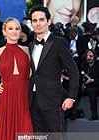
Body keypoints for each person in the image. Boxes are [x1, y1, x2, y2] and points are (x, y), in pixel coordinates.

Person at [28, 5, 79, 134]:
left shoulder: (59, 43)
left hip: (53, 101)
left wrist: (71, 97)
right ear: (31, 23)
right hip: (33, 101)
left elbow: (73, 71)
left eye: (41, 19)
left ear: (48, 22)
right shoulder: (31, 45)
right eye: (35, 21)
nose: (38, 24)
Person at [0, 17, 32, 140]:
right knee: (7, 130)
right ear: (4, 32)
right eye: (10, 28)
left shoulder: (27, 50)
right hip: (6, 95)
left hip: (24, 95)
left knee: (26, 130)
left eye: (17, 28)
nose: (14, 31)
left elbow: (33, 72)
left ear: (20, 32)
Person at [80, 49, 99, 120]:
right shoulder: (83, 65)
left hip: (96, 86)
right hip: (85, 86)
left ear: (94, 56)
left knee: (92, 91)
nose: (88, 58)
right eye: (87, 56)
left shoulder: (98, 65)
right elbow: (81, 77)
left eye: (91, 56)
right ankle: (71, 112)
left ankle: (94, 114)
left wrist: (92, 80)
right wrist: (83, 83)